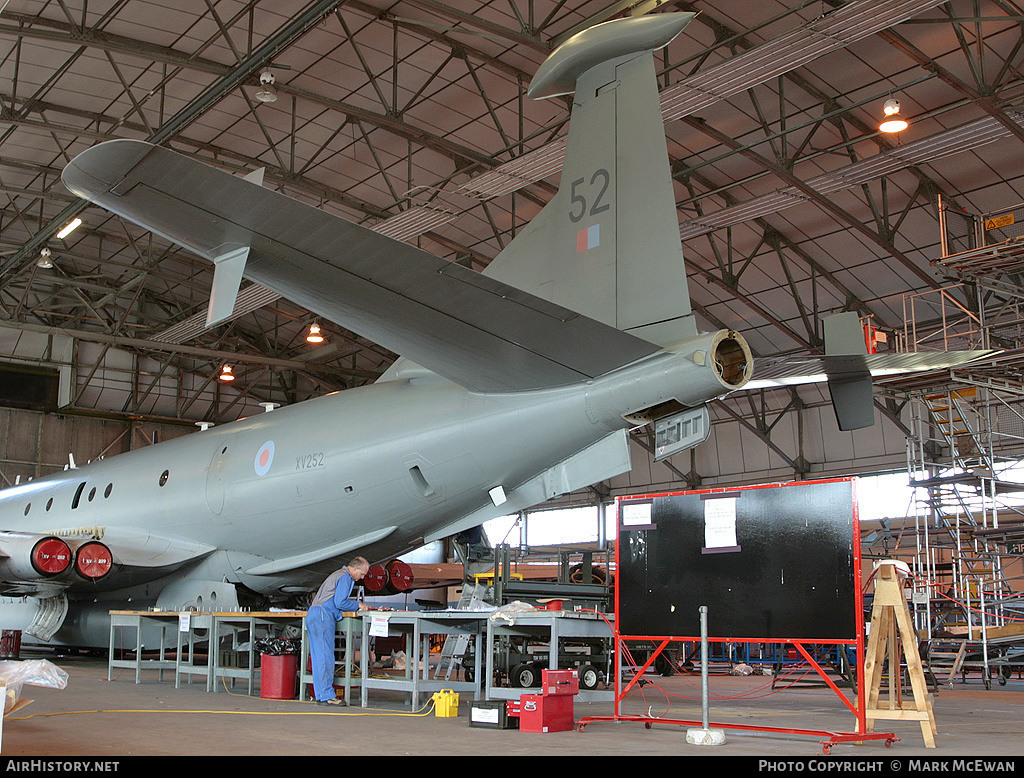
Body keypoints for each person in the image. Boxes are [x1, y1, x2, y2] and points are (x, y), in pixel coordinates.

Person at [306, 557, 370, 705]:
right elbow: (340, 602)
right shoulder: (345, 577)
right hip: (323, 616)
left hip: (315, 614)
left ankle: (322, 695)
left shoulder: (337, 574)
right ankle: (327, 696)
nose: (363, 577)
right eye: (362, 574)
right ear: (354, 568)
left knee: (318, 658)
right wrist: (359, 605)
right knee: (325, 657)